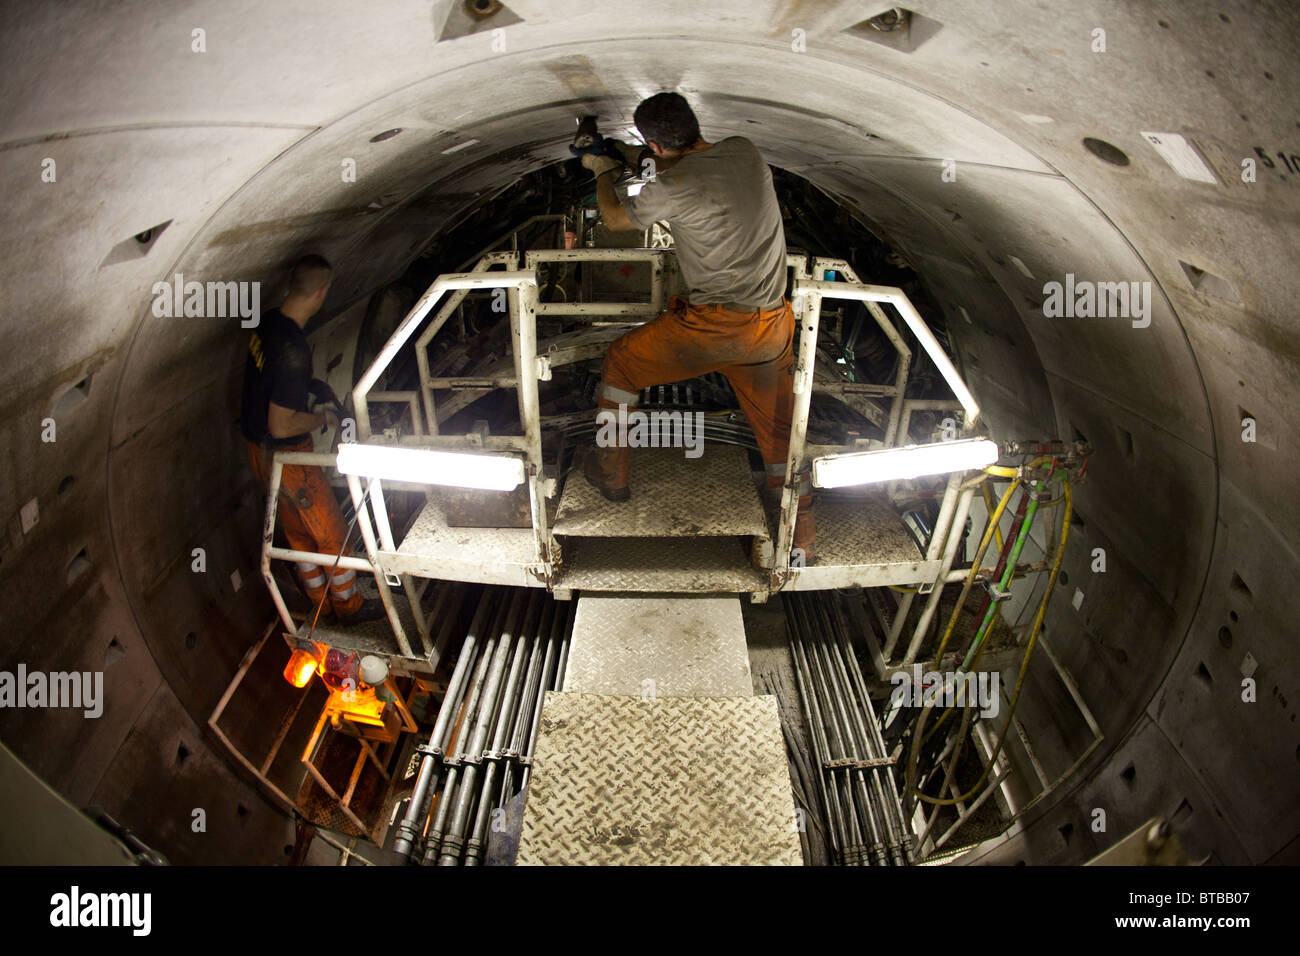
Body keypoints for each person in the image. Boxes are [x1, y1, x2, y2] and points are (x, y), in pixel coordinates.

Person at [575, 92, 815, 562]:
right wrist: (630, 155)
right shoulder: (745, 149)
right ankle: (798, 532)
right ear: (693, 123)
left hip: (714, 329)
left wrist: (603, 171)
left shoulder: (671, 186)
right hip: (771, 326)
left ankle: (612, 477)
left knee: (621, 365)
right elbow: (681, 167)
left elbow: (618, 217)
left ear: (655, 145)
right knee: (780, 433)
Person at [241, 254, 383, 623]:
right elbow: (282, 425)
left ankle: (320, 603)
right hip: (290, 458)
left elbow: (267, 382)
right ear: (320, 293)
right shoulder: (294, 350)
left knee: (299, 536)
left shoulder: (268, 322)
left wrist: (310, 386)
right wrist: (322, 416)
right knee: (334, 536)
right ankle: (348, 607)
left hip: (259, 453)